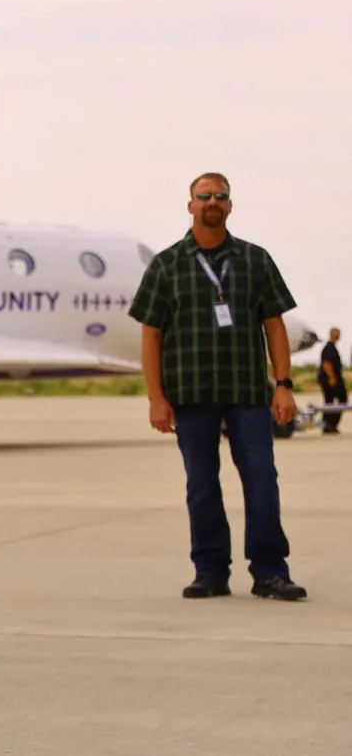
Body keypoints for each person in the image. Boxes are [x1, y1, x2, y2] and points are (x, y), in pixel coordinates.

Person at [128, 172, 307, 602]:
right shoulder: (167, 265)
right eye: (203, 195)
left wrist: (283, 385)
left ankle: (269, 573)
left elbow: (275, 324)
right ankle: (210, 571)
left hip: (247, 391)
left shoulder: (255, 259)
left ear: (230, 206)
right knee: (202, 483)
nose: (212, 201)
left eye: (220, 196)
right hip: (190, 394)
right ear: (190, 205)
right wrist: (156, 397)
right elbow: (151, 334)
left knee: (262, 478)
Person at [317, 328, 344, 433]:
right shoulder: (328, 348)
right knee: (340, 400)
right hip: (329, 379)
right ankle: (329, 424)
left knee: (329, 401)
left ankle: (329, 424)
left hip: (332, 378)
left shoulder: (332, 347)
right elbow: (326, 364)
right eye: (336, 334)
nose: (338, 336)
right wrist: (332, 378)